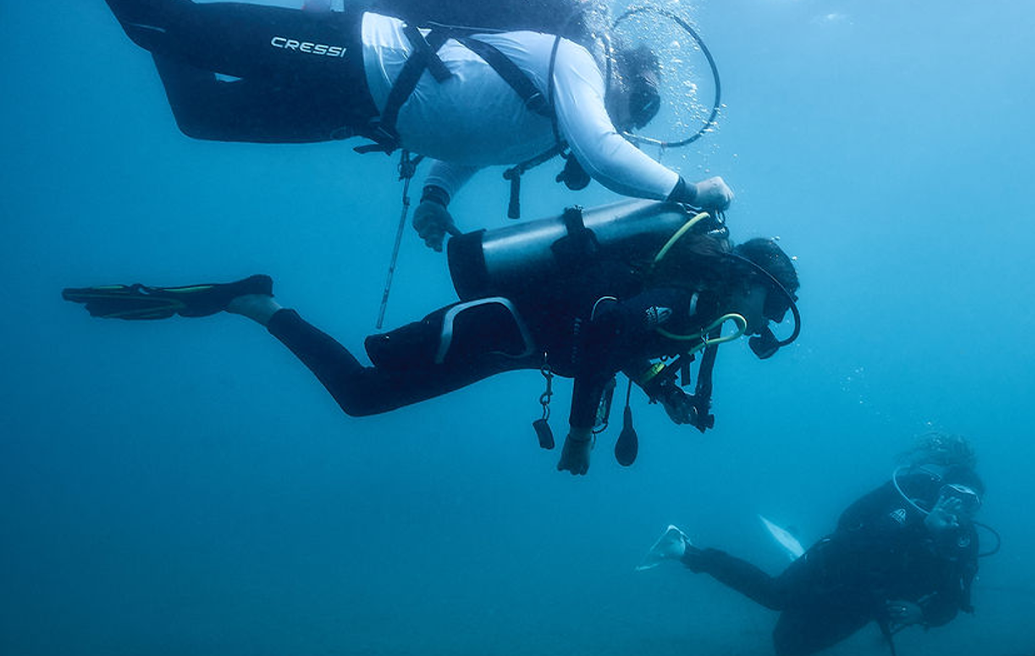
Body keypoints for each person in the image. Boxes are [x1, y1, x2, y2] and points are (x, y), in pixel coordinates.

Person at [3, 0, 734, 250]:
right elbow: (606, 155)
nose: (621, 122)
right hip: (358, 56)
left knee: (203, 115)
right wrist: (688, 191)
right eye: (634, 107)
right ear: (621, 72)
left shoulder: (553, 131)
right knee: (164, 26)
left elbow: (475, 139)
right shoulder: (572, 59)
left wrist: (438, 198)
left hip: (360, 108)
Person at [62, 201, 800, 476]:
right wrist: (580, 435)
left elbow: (623, 337)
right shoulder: (686, 291)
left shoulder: (693, 304)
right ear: (749, 279)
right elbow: (609, 327)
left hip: (510, 343)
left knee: (358, 397)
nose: (765, 322)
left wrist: (661, 389)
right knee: (358, 395)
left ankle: (258, 304)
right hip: (492, 332)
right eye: (772, 303)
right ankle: (258, 302)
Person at [638, 434, 985, 656]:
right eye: (952, 496)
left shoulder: (965, 544)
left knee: (788, 647)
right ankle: (684, 550)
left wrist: (923, 613)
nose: (957, 508)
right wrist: (919, 526)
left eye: (970, 504)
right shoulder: (910, 494)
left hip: (866, 601)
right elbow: (849, 522)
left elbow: (954, 602)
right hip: (832, 563)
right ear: (939, 489)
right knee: (776, 596)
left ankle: (794, 575)